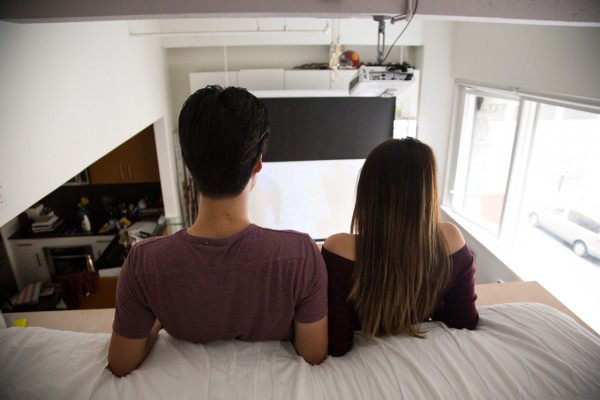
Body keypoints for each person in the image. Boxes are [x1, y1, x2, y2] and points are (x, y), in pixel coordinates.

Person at [107, 85, 328, 377]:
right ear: (258, 164)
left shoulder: (143, 264)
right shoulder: (302, 255)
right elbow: (313, 354)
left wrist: (156, 322)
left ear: (188, 165)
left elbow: (121, 363)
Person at [321, 137, 479, 357]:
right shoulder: (451, 238)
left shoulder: (339, 248)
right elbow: (464, 322)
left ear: (368, 189)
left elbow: (337, 345)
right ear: (427, 191)